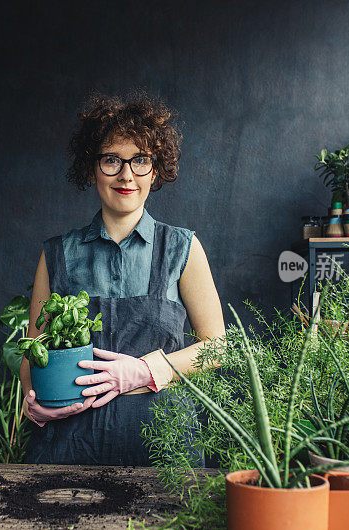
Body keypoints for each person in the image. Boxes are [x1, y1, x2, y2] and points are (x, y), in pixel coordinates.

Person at [21, 91, 225, 466]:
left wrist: (146, 370)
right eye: (112, 160)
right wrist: (35, 404)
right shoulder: (57, 254)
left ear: (156, 168)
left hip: (164, 447)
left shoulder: (182, 247)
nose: (126, 174)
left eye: (140, 160)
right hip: (68, 447)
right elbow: (34, 350)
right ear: (92, 168)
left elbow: (219, 348)